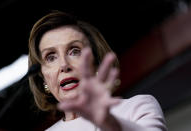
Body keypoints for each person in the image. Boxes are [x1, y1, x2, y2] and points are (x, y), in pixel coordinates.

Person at [28, 10, 167, 131]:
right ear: (43, 78)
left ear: (96, 63)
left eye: (74, 51)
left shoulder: (137, 107)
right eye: (51, 57)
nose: (64, 65)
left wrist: (112, 125)